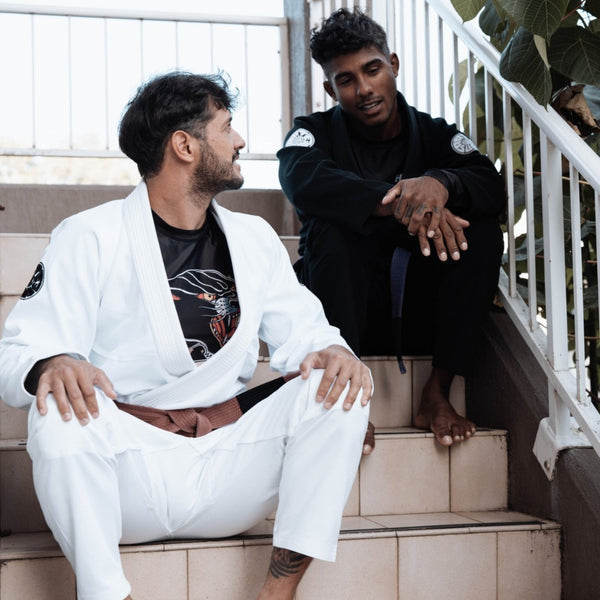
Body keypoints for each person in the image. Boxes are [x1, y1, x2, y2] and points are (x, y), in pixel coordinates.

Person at [0, 72, 372, 600]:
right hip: (127, 475)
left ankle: (278, 592)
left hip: (228, 466)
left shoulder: (254, 239)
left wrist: (334, 352)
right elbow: (19, 352)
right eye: (227, 127)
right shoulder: (89, 235)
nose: (240, 140)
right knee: (59, 409)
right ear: (185, 145)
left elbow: (307, 333)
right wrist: (53, 362)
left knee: (342, 385)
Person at [277, 8, 504, 447]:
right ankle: (347, 398)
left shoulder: (435, 135)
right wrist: (402, 202)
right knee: (329, 231)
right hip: (343, 312)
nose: (363, 89)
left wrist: (441, 182)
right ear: (330, 88)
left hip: (421, 312)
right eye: (346, 80)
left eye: (373, 70)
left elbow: (489, 183)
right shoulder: (314, 132)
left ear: (393, 65)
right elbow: (300, 177)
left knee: (481, 233)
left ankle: (436, 393)